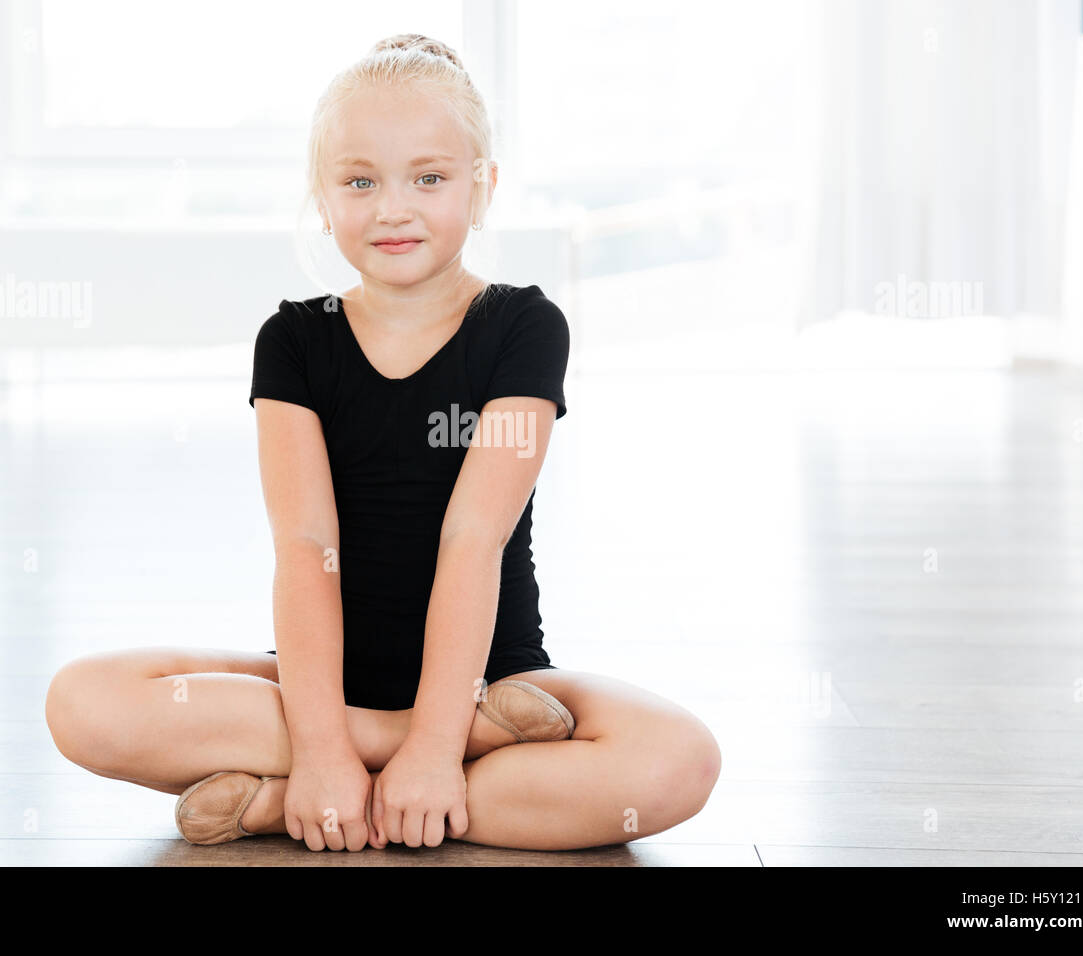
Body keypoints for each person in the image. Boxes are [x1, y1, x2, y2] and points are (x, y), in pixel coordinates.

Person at [45, 33, 721, 853]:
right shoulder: (294, 341)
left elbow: (474, 539)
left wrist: (439, 742)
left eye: (429, 178)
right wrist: (327, 740)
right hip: (322, 692)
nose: (393, 208)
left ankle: (284, 799)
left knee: (678, 762)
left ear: (483, 188)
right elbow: (304, 547)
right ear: (322, 199)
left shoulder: (523, 326)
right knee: (82, 703)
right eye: (360, 181)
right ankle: (417, 759)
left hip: (497, 681)